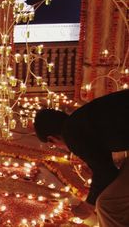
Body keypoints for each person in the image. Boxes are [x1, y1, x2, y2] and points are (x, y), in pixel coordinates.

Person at [34, 89, 129, 226]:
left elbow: (106, 173)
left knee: (106, 204)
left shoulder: (71, 134)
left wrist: (89, 206)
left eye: (54, 146)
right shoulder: (81, 119)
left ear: (52, 139)